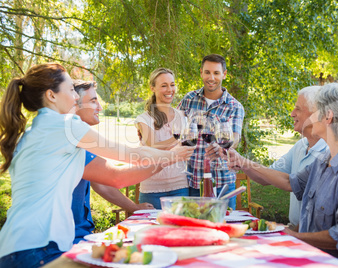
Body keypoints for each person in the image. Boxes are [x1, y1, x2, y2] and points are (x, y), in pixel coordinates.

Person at [0, 63, 194, 267]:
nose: (75, 97)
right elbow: (131, 154)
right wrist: (172, 156)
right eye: (71, 90)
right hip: (40, 246)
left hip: (14, 247)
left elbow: (113, 177)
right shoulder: (66, 126)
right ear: (51, 95)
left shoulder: (33, 133)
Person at [228, 82, 338, 267]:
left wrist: (293, 237)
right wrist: (240, 161)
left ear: (328, 117)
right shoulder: (325, 158)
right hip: (318, 260)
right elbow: (293, 183)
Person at [72, 80, 156, 244]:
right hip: (61, 239)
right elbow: (114, 178)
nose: (100, 108)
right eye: (93, 101)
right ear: (75, 104)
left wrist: (133, 207)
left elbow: (101, 182)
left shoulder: (80, 139)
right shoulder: (70, 138)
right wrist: (170, 157)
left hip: (79, 233)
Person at [177, 54, 245, 209]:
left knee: (223, 227)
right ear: (201, 72)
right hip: (192, 181)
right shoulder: (189, 99)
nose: (211, 77)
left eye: (216, 73)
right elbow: (175, 127)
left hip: (222, 182)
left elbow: (235, 138)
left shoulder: (234, 106)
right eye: (207, 72)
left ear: (224, 74)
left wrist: (222, 147)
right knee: (193, 230)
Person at [269, 86, 328, 230]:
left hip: (311, 236)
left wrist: (293, 234)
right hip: (299, 232)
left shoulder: (328, 154)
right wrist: (240, 162)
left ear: (316, 114)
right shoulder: (301, 145)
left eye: (298, 109)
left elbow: (290, 184)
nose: (291, 114)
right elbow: (268, 176)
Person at [134, 68, 189, 209]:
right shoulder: (144, 119)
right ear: (152, 88)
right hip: (152, 190)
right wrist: (180, 137)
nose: (169, 89)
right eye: (164, 85)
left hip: (180, 187)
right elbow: (154, 147)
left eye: (172, 84)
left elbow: (189, 149)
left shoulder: (182, 116)